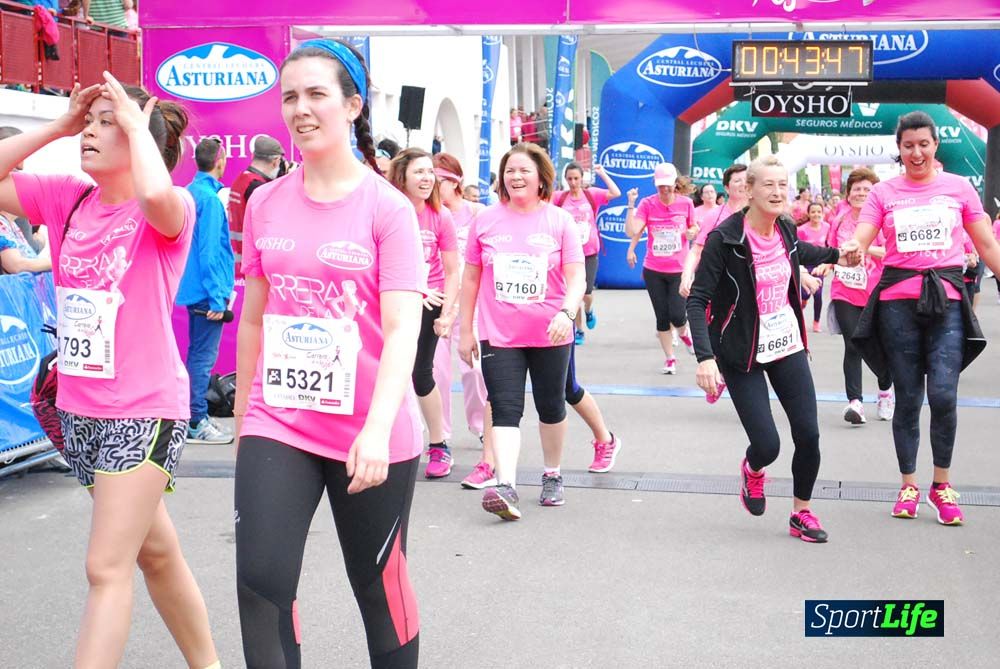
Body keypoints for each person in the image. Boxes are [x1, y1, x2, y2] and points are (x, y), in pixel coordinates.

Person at [0, 77, 219, 666]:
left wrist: (133, 122)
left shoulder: (174, 209)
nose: (92, 131)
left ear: (140, 137)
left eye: (106, 123)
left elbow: (154, 196)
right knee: (156, 554)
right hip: (77, 410)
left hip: (142, 411)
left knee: (106, 566)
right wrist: (59, 126)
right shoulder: (69, 197)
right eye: (91, 121)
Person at [233, 39, 424, 667]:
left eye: (317, 94)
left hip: (368, 433)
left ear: (352, 105)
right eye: (290, 96)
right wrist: (243, 418)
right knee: (261, 586)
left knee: (378, 592)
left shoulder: (388, 209)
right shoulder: (264, 202)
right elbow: (255, 316)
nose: (301, 109)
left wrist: (374, 430)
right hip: (278, 420)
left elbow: (401, 330)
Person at [687, 155, 857, 544]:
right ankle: (753, 468)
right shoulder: (725, 239)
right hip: (741, 352)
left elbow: (803, 253)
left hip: (786, 344)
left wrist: (837, 255)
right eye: (769, 185)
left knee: (809, 435)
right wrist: (705, 358)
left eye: (783, 184)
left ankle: (801, 513)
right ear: (748, 190)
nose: (778, 192)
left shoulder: (783, 227)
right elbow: (697, 301)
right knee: (768, 444)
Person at [845, 111, 1000, 526]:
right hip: (898, 304)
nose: (916, 152)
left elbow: (985, 242)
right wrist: (855, 247)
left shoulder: (959, 188)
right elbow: (864, 232)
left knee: (945, 395)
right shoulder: (884, 193)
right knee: (909, 398)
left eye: (923, 144)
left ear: (935, 146)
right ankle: (909, 483)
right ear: (899, 150)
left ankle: (942, 485)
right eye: (908, 145)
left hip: (947, 301)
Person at [459, 143, 585, 519]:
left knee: (551, 406)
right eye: (509, 171)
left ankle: (552, 473)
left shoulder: (559, 221)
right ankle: (507, 486)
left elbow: (576, 276)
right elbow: (470, 278)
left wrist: (568, 311)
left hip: (551, 331)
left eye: (524, 171)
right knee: (506, 408)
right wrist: (465, 330)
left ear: (540, 177)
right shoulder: (485, 220)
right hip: (500, 334)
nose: (516, 177)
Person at [387, 147, 459, 479]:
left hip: (429, 304)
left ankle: (439, 444)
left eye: (430, 172)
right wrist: (415, 289)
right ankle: (387, 438)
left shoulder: (440, 216)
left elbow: (451, 270)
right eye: (419, 171)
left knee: (420, 373)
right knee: (385, 371)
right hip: (392, 301)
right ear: (401, 176)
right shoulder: (387, 211)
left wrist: (448, 312)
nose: (427, 178)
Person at [429, 152, 493, 487]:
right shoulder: (428, 215)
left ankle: (482, 427)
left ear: (454, 181)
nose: (433, 184)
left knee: (475, 368)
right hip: (438, 303)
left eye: (439, 178)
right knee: (436, 372)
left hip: (472, 303)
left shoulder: (478, 213)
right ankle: (441, 439)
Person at [812, 168, 895, 425]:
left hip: (878, 291)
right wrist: (826, 265)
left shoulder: (883, 219)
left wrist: (864, 247)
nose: (861, 193)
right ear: (848, 194)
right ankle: (855, 403)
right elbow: (832, 250)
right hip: (845, 290)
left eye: (866, 189)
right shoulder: (839, 220)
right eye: (856, 189)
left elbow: (892, 251)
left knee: (880, 346)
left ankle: (884, 391)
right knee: (853, 344)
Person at [177, 137, 236, 444]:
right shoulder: (209, 200)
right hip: (205, 292)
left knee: (196, 356)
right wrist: (217, 296)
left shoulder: (190, 193)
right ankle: (196, 421)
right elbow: (210, 251)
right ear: (220, 161)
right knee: (202, 358)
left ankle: (193, 416)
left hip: (194, 288)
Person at [624, 162, 698, 374]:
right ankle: (670, 358)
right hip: (654, 269)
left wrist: (692, 231)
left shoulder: (686, 204)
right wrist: (631, 204)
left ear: (675, 183)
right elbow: (633, 230)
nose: (664, 190)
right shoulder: (648, 204)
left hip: (678, 269)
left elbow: (694, 225)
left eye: (667, 185)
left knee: (677, 314)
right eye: (660, 186)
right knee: (662, 317)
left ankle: (685, 334)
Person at [552, 161, 621, 343]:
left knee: (586, 294)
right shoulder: (559, 198)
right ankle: (579, 330)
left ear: (582, 179)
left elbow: (616, 193)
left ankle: (589, 310)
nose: (573, 182)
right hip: (567, 254)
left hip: (589, 252)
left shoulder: (591, 195)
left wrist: (602, 173)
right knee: (572, 293)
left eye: (576, 178)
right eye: (569, 179)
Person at [680, 163, 749, 297]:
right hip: (721, 285)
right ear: (727, 188)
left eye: (746, 180)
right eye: (737, 181)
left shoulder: (761, 215)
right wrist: (686, 276)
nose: (743, 184)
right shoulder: (714, 215)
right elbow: (696, 250)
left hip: (752, 283)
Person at [227, 135, 285, 277]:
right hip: (254, 264)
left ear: (254, 155)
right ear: (276, 161)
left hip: (237, 261)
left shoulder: (241, 180)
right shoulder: (259, 188)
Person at [797, 202, 830, 333]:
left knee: (818, 295)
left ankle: (816, 322)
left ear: (822, 213)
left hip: (819, 266)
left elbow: (829, 245)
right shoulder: (802, 230)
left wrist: (828, 264)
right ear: (809, 214)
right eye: (813, 212)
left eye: (818, 212)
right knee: (805, 293)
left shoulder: (827, 227)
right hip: (805, 266)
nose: (816, 214)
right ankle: (804, 300)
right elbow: (797, 250)